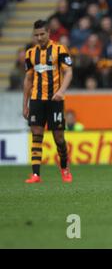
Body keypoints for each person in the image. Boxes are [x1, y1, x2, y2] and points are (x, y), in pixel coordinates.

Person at [22, 20, 73, 183]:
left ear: (49, 32)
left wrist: (61, 91)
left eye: (41, 34)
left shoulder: (59, 49)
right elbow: (28, 80)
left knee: (58, 137)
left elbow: (69, 72)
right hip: (37, 99)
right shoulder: (30, 53)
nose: (39, 37)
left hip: (55, 100)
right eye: (36, 35)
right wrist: (25, 104)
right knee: (36, 134)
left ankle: (65, 168)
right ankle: (35, 174)